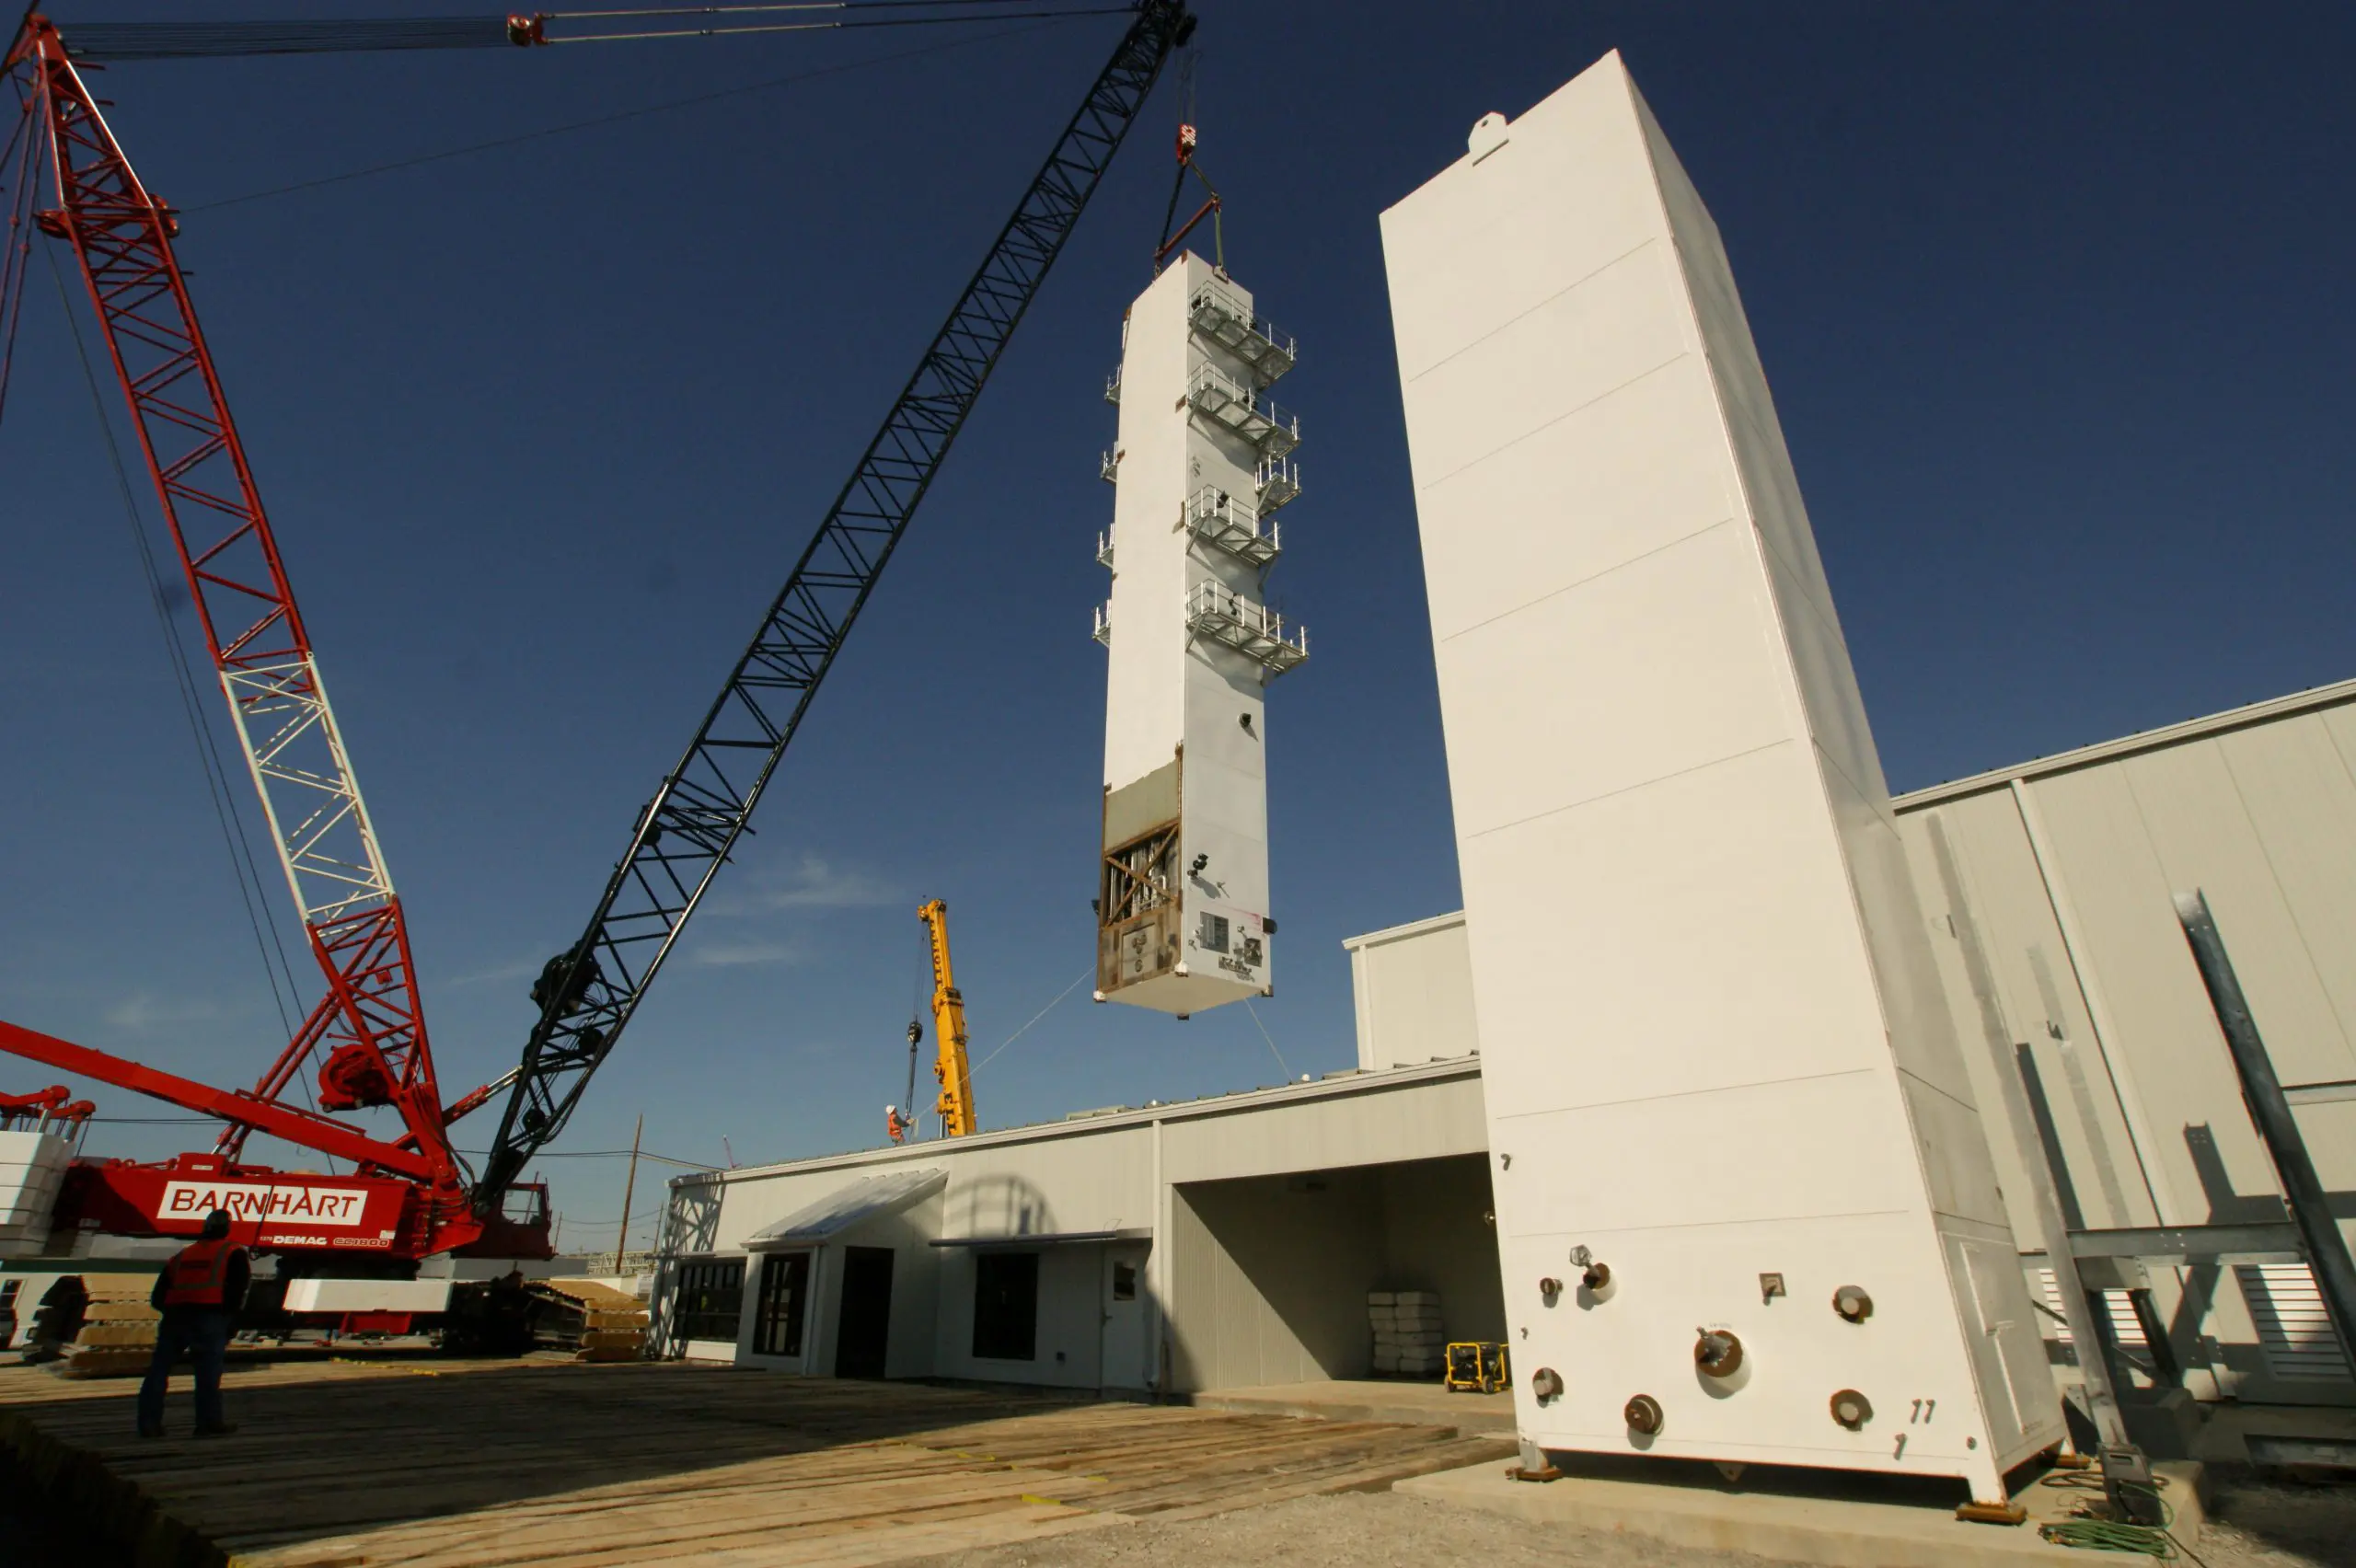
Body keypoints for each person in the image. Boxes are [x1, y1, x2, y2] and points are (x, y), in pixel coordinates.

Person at [136, 1208, 248, 1438]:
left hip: (175, 1317)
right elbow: (237, 1292)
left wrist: (172, 1310)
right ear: (227, 1228)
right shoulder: (232, 1252)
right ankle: (208, 1424)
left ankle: (149, 1424)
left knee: (158, 1371)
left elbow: (158, 1296)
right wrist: (230, 1322)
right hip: (210, 1318)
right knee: (207, 1374)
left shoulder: (182, 1256)